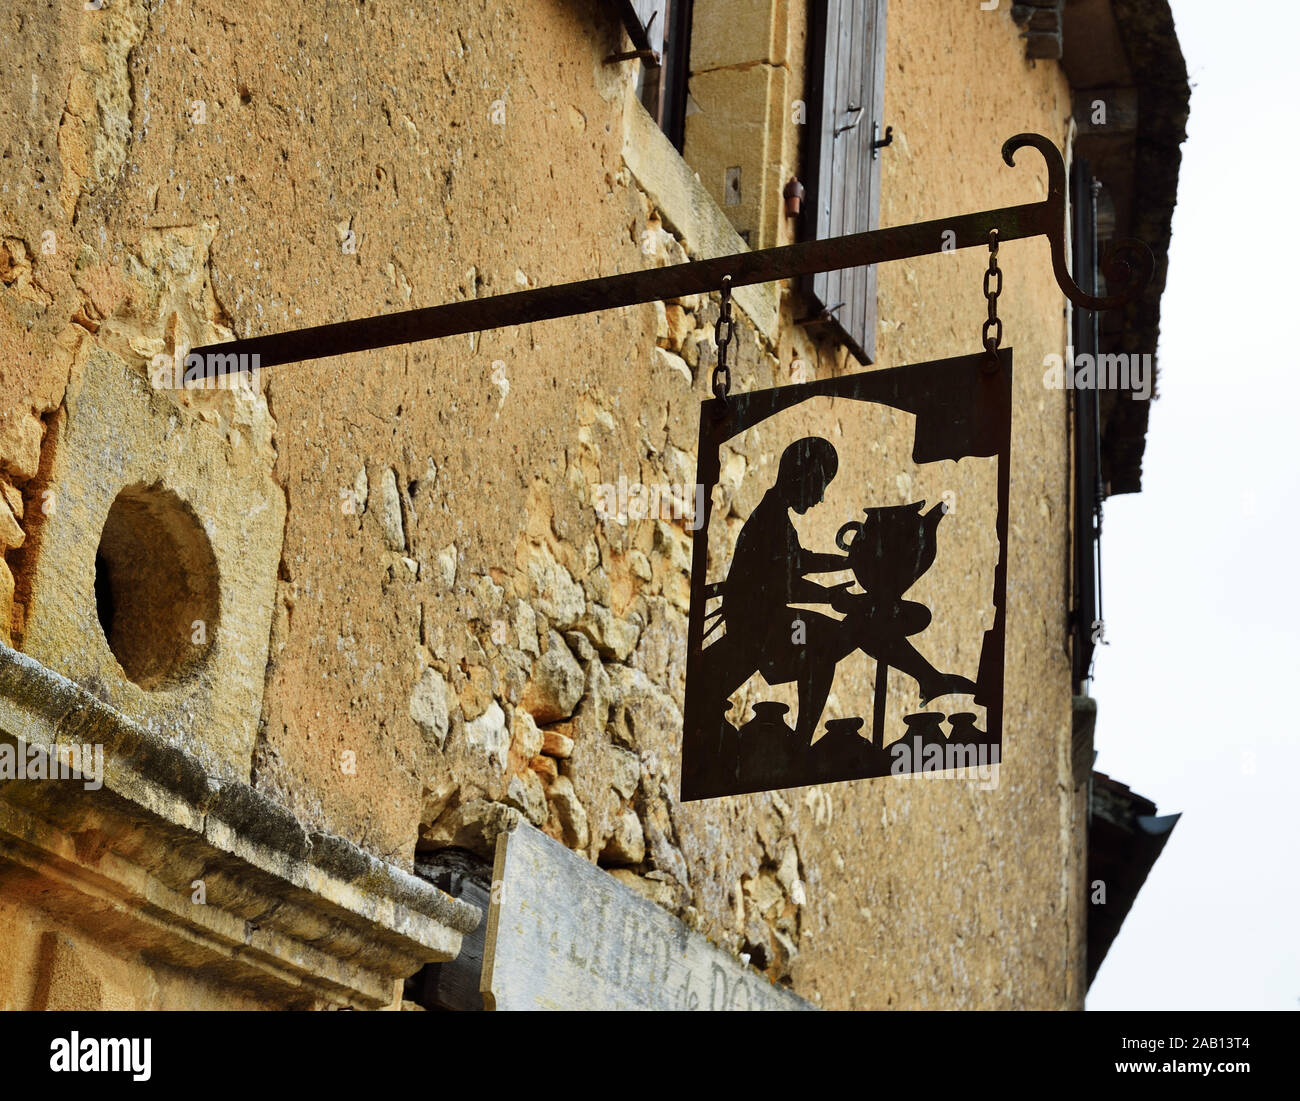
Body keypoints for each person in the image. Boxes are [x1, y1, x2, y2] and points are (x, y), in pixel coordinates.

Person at [705, 437, 974, 743]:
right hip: (760, 631)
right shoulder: (770, 520)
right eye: (820, 485)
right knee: (832, 637)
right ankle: (803, 739)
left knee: (852, 627)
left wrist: (848, 561)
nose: (820, 497)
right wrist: (828, 597)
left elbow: (798, 561)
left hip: (771, 624)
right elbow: (783, 585)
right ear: (801, 476)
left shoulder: (775, 515)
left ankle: (927, 678)